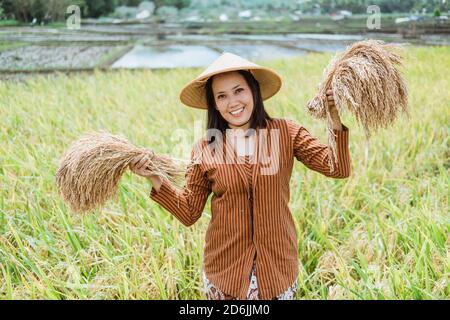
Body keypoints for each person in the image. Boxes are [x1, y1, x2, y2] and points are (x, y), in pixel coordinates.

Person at [129, 52, 351, 300]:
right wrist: (154, 177)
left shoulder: (287, 133)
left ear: (253, 91)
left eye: (239, 91)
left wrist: (333, 117)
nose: (232, 102)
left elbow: (337, 168)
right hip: (225, 275)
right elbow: (189, 211)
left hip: (277, 271)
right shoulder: (205, 148)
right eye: (221, 96)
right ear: (214, 104)